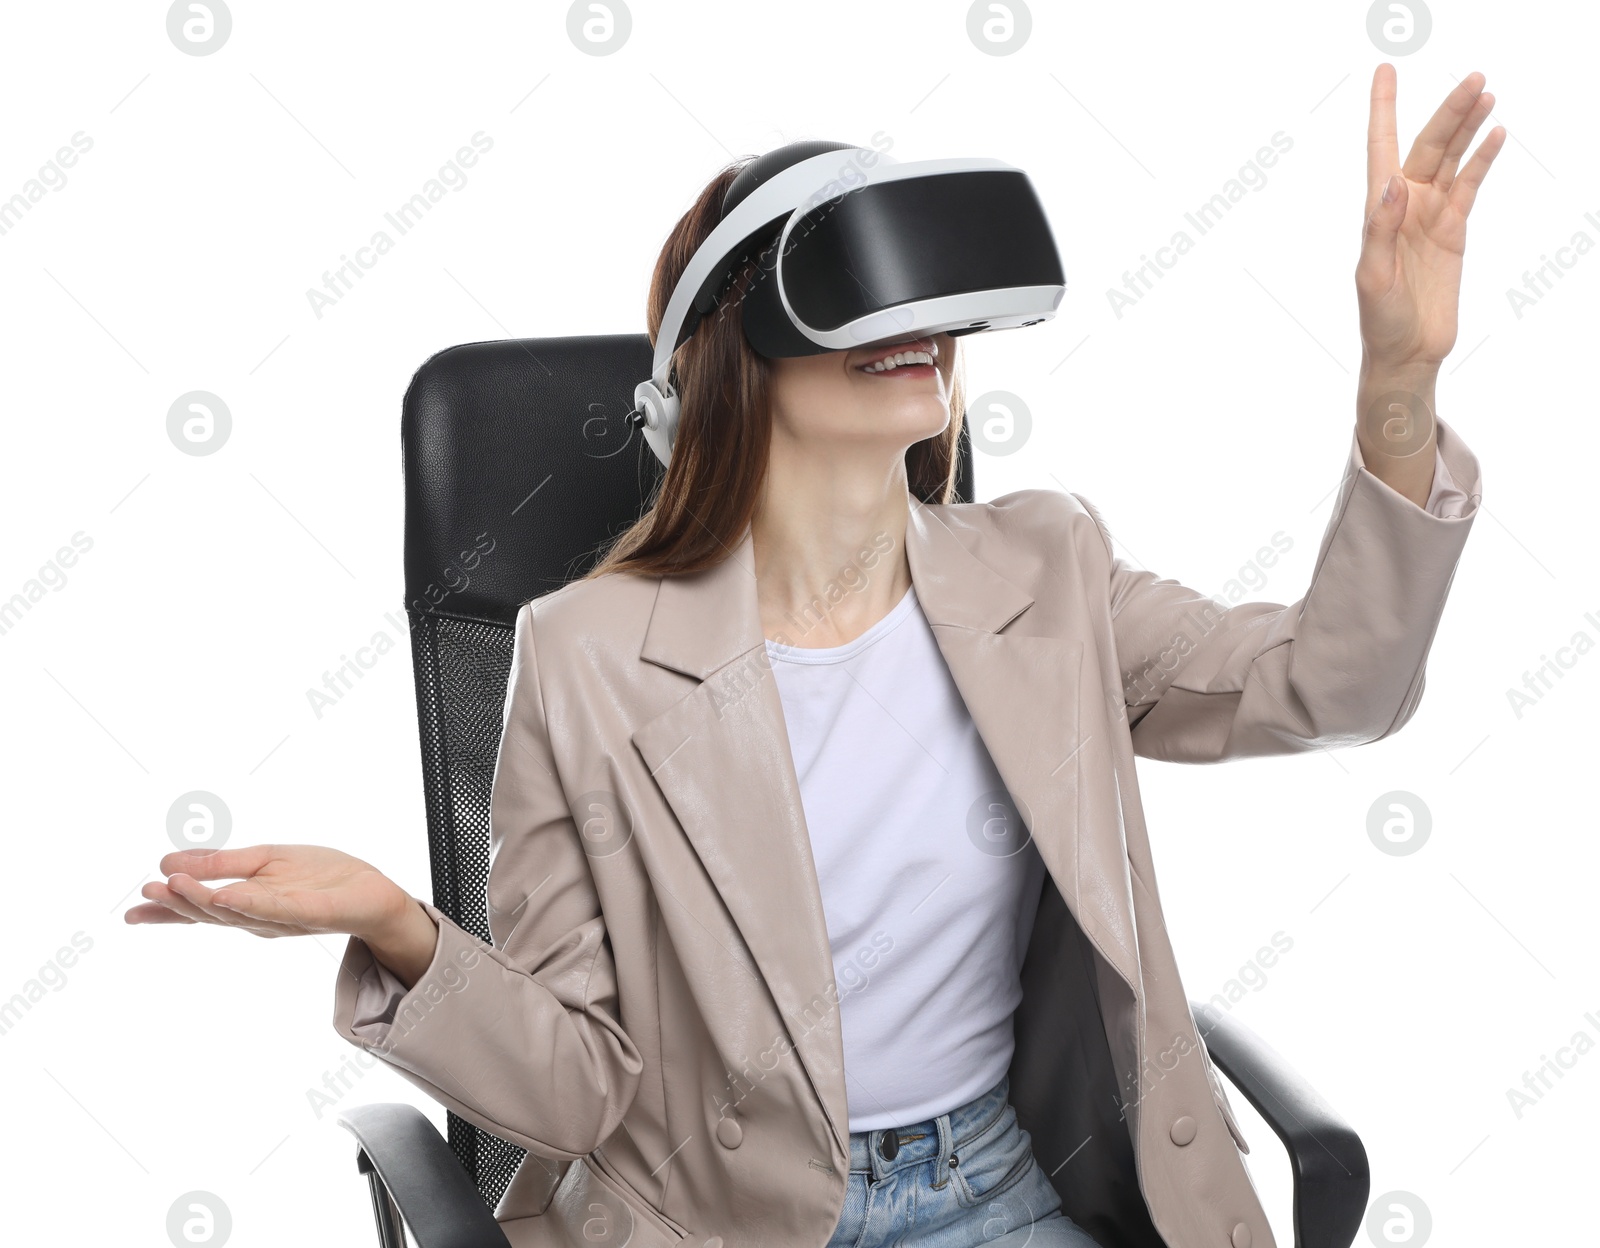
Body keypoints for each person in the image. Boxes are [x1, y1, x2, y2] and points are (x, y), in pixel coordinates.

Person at [129, 64, 1499, 1248]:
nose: (919, 324)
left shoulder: (1048, 570)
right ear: (732, 351)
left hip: (993, 1184)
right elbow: (580, 1088)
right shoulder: (586, 656)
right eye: (854, 283)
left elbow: (1338, 688)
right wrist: (398, 927)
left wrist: (1398, 382)